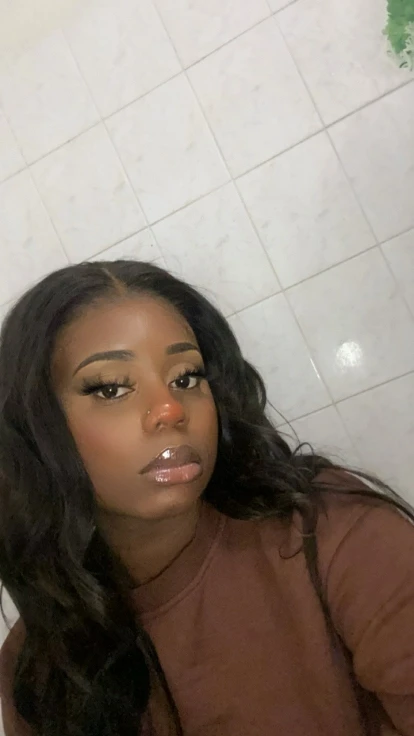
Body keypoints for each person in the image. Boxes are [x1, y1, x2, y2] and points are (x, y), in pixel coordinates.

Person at [0, 260, 413, 736]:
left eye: (186, 377)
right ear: (36, 430)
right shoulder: (40, 668)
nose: (170, 409)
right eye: (111, 388)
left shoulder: (333, 532)